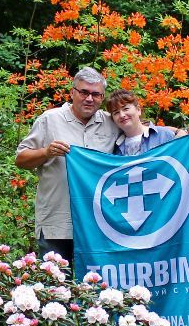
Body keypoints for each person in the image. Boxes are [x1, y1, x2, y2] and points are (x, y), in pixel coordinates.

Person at [15, 67, 119, 263]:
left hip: (97, 224)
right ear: (72, 92)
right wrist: (46, 152)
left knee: (95, 289)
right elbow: (21, 159)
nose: (89, 98)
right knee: (55, 287)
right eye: (84, 92)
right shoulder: (50, 119)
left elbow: (142, 131)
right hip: (57, 223)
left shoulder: (111, 122)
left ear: (102, 97)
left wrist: (183, 134)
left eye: (96, 94)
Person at [106, 89, 189, 155]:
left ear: (138, 110)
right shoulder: (115, 148)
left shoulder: (165, 136)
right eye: (116, 112)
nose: (122, 115)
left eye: (126, 108)